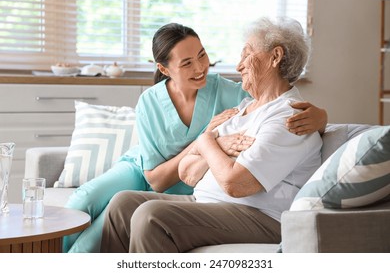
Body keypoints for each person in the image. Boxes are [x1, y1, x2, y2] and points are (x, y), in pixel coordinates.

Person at [64, 21, 327, 253]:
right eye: (187, 63)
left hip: (258, 213)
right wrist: (212, 145)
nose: (237, 65)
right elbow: (188, 173)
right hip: (153, 171)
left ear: (275, 57)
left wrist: (206, 143)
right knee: (120, 202)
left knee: (150, 215)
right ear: (165, 69)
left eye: (246, 54)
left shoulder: (284, 115)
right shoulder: (244, 109)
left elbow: (234, 183)